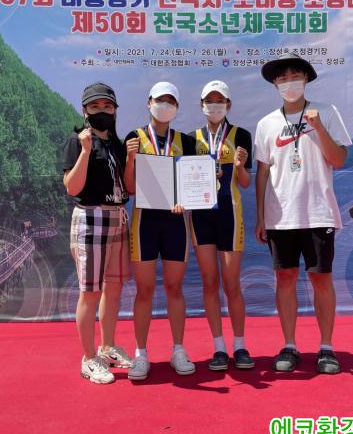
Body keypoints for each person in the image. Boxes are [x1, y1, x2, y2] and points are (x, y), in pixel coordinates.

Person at [254, 53, 352, 374]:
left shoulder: (326, 111)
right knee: (285, 278)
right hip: (280, 216)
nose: (289, 82)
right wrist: (260, 217)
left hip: (318, 212)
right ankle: (289, 345)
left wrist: (318, 127)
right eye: (282, 78)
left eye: (295, 76)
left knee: (321, 278)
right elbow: (262, 172)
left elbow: (338, 159)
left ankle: (327, 347)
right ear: (275, 84)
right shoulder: (266, 123)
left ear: (306, 79)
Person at [124, 81, 196, 380]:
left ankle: (178, 349)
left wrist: (186, 199)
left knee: (174, 288)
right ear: (148, 102)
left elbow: (192, 184)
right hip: (145, 222)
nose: (164, 105)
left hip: (176, 222)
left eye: (170, 101)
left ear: (176, 108)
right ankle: (141, 353)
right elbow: (129, 188)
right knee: (145, 290)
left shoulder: (186, 141)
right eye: (159, 100)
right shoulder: (134, 138)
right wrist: (130, 159)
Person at [63, 82, 133, 384]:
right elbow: (72, 187)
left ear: (115, 110)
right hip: (90, 218)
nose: (101, 111)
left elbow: (129, 186)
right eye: (95, 106)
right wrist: (85, 150)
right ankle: (88, 358)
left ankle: (107, 347)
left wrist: (131, 159)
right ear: (85, 110)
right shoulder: (77, 141)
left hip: (118, 217)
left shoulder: (118, 144)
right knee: (90, 292)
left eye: (107, 106)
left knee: (113, 287)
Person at [189, 80, 254, 371]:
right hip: (201, 217)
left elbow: (246, 183)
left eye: (220, 100)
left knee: (231, 283)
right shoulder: (191, 139)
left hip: (230, 214)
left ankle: (239, 345)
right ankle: (218, 347)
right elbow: (184, 180)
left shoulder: (241, 135)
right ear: (202, 104)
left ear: (228, 105)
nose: (214, 105)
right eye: (209, 100)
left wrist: (239, 167)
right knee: (209, 282)